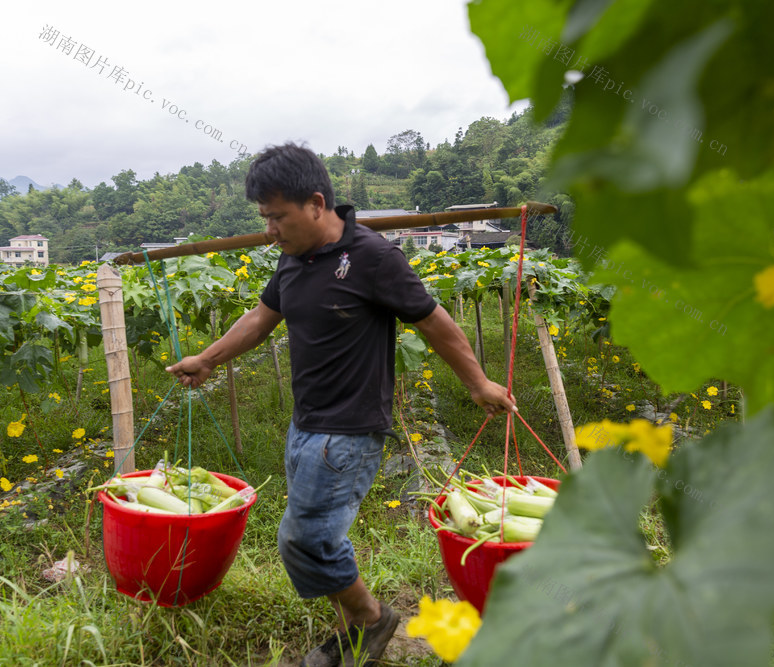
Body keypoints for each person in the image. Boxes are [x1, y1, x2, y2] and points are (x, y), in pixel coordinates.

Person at [166, 143, 515, 666]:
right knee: (317, 535)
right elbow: (261, 319)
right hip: (305, 424)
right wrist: (208, 359)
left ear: (316, 203)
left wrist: (478, 383)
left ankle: (372, 620)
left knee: (305, 539)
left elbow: (434, 323)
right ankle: (355, 635)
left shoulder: (373, 257)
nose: (270, 231)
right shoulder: (292, 261)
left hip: (349, 430)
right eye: (264, 218)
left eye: (277, 217)